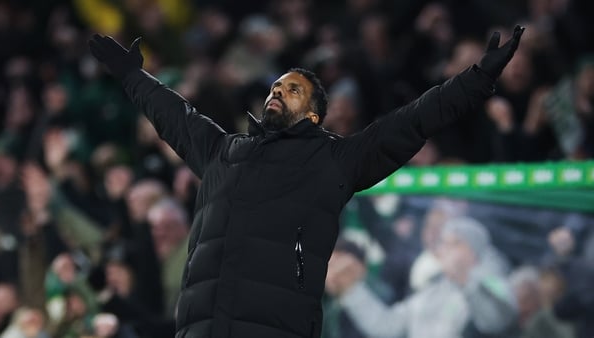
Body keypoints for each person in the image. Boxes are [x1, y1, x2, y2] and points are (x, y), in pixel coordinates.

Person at [88, 25, 524, 338]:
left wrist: (478, 79)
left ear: (314, 114)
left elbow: (413, 121)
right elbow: (175, 117)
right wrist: (132, 76)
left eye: (292, 89)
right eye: (275, 86)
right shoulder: (224, 152)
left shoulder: (333, 161)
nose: (276, 92)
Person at [325, 217, 517, 338]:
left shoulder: (494, 282)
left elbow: (496, 321)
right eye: (444, 243)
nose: (445, 249)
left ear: (475, 251)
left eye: (456, 243)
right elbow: (387, 327)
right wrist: (352, 291)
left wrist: (466, 280)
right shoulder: (431, 290)